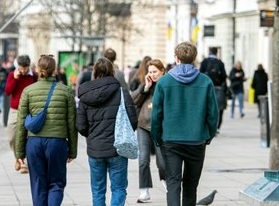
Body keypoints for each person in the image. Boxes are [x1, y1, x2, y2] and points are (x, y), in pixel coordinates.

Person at [151, 42, 218, 206]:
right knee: (190, 185)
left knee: (173, 182)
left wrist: (156, 137)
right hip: (196, 140)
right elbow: (213, 114)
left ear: (176, 58)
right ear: (194, 58)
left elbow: (156, 114)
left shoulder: (164, 82)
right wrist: (208, 135)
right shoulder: (205, 81)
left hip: (171, 140)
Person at [15, 54, 77, 206]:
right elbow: (71, 123)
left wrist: (19, 153)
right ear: (55, 70)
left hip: (34, 143)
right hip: (57, 143)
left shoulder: (28, 91)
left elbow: (21, 123)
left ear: (37, 69)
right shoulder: (66, 91)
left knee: (38, 184)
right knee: (56, 183)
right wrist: (72, 151)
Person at [76, 57, 138, 206]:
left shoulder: (85, 95)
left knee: (97, 190)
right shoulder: (121, 92)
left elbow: (81, 125)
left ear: (94, 72)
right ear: (112, 71)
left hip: (95, 149)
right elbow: (133, 120)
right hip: (118, 148)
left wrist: (92, 136)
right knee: (119, 188)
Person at [131, 59, 166, 203]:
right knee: (143, 159)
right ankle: (144, 191)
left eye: (155, 72)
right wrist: (145, 87)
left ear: (162, 71)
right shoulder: (146, 85)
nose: (152, 74)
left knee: (162, 162)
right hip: (143, 126)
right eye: (150, 72)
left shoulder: (167, 85)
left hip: (161, 128)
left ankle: (167, 182)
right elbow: (133, 101)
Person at [4, 55, 37, 173]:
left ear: (29, 66)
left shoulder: (34, 77)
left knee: (26, 137)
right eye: (21, 68)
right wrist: (15, 79)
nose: (23, 71)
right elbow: (7, 91)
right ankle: (18, 157)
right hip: (15, 110)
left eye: (25, 68)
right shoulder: (12, 75)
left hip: (29, 111)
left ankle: (22, 161)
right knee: (11, 137)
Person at [199, 47, 227, 133]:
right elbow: (224, 76)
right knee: (219, 107)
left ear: (209, 52)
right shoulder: (220, 63)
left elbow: (200, 74)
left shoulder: (205, 62)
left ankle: (206, 125)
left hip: (205, 88)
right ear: (216, 53)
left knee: (205, 106)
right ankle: (217, 126)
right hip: (218, 88)